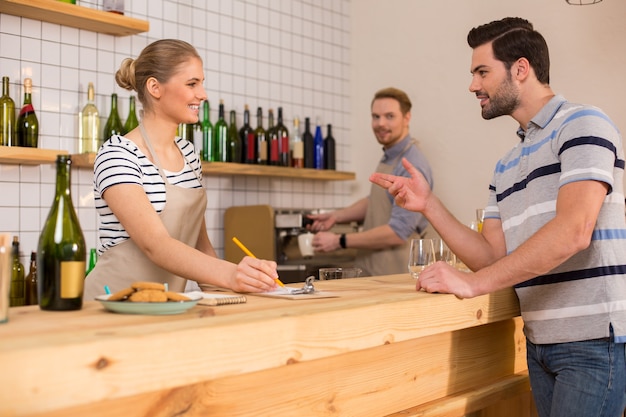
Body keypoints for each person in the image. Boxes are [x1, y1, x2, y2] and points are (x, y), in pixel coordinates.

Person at [370, 17, 626, 417]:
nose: (473, 85)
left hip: (592, 341)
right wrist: (428, 204)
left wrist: (473, 285)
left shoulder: (582, 124)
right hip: (540, 341)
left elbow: (575, 230)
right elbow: (491, 257)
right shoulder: (506, 165)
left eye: (482, 72)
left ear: (520, 69)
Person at [83, 39, 278, 300]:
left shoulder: (189, 155)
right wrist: (232, 274)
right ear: (155, 87)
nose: (203, 94)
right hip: (112, 306)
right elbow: (156, 245)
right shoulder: (118, 154)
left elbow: (201, 246)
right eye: (192, 84)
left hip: (166, 306)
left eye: (201, 83)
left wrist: (231, 296)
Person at [308, 87, 433, 277]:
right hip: (374, 271)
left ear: (407, 117)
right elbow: (376, 201)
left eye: (389, 116)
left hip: (395, 276)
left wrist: (339, 241)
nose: (381, 123)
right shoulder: (390, 156)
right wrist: (336, 216)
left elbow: (397, 233)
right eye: (376, 116)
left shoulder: (411, 163)